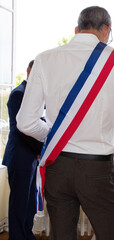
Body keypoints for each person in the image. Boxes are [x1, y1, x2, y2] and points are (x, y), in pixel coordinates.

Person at [16, 6, 114, 240]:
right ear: (106, 30)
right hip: (97, 169)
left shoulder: (44, 58)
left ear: (77, 29)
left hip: (58, 165)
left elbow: (25, 122)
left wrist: (53, 133)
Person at [2, 60, 44, 240]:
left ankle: (27, 235)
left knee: (29, 205)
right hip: (20, 156)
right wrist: (42, 148)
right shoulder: (18, 94)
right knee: (19, 204)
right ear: (28, 70)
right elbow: (23, 130)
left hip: (31, 157)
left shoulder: (36, 96)